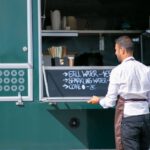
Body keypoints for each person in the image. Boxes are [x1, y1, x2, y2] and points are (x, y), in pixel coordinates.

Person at [88, 35, 150, 150]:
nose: (115, 53)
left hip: (129, 118)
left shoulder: (117, 71)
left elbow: (110, 102)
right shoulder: (146, 70)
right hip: (146, 117)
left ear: (122, 50)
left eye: (116, 50)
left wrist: (99, 100)